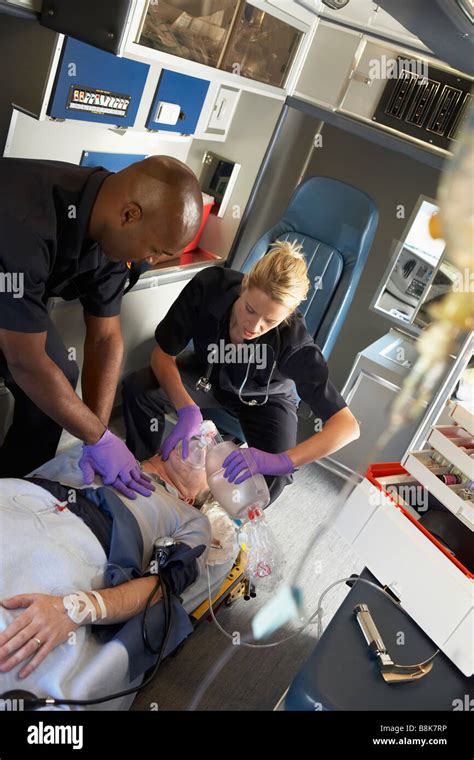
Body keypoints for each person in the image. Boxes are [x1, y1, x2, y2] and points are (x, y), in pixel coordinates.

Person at [0, 155, 203, 498]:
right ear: (129, 215)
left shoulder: (112, 231)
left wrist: (95, 434)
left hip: (10, 290)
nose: (149, 261)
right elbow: (26, 362)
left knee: (59, 380)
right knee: (38, 370)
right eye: (154, 250)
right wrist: (100, 438)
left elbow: (105, 338)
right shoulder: (26, 218)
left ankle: (16, 497)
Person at [0, 430, 234, 705]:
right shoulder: (102, 444)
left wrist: (76, 607)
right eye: (199, 434)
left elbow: (161, 586)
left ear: (191, 497)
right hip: (18, 501)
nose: (205, 439)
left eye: (212, 451)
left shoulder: (192, 519)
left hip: (74, 545)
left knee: (14, 640)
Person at [122, 240, 360, 504]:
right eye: (249, 309)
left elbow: (348, 426)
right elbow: (162, 354)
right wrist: (187, 409)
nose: (254, 326)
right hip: (207, 376)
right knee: (138, 389)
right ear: (245, 283)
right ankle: (145, 470)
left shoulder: (295, 344)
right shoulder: (209, 286)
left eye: (270, 321)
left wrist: (281, 460)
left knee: (276, 477)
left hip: (265, 399)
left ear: (289, 315)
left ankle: (212, 517)